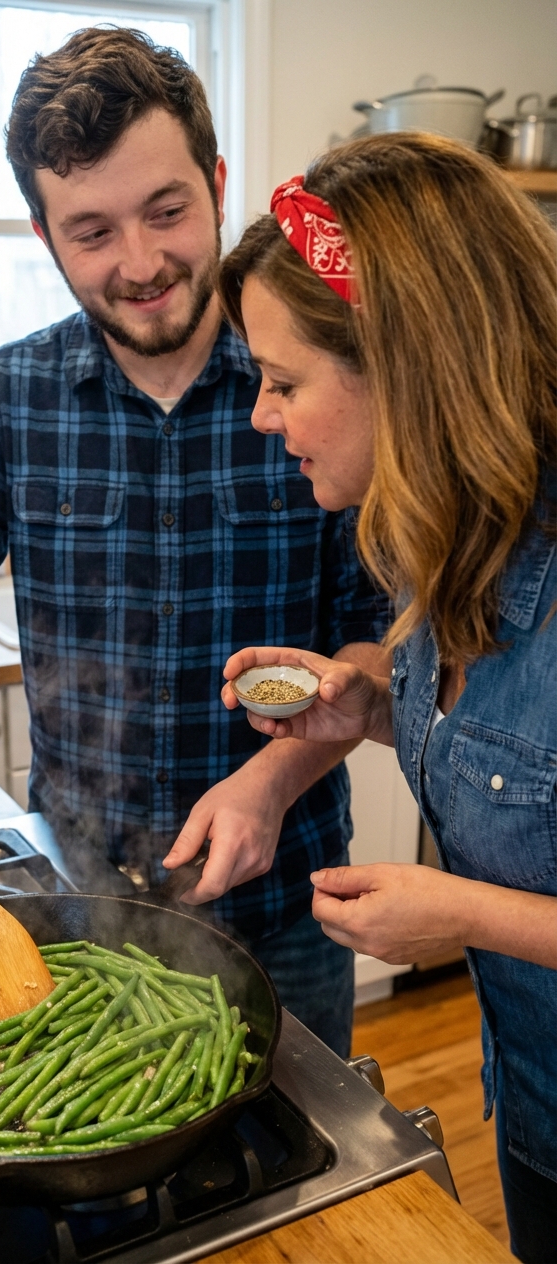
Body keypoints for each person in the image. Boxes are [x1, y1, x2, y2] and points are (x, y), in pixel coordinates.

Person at [0, 28, 389, 1057]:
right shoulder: (8, 400)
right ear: (43, 234)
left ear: (217, 184)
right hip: (79, 907)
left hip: (286, 896)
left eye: (167, 211)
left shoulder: (319, 388)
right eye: (90, 230)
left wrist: (267, 785)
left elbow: (377, 642)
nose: (139, 264)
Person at [211, 132, 556, 1262]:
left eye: (283, 382)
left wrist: (457, 916)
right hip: (531, 1089)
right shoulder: (436, 536)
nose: (261, 415)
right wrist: (356, 704)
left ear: (403, 367)